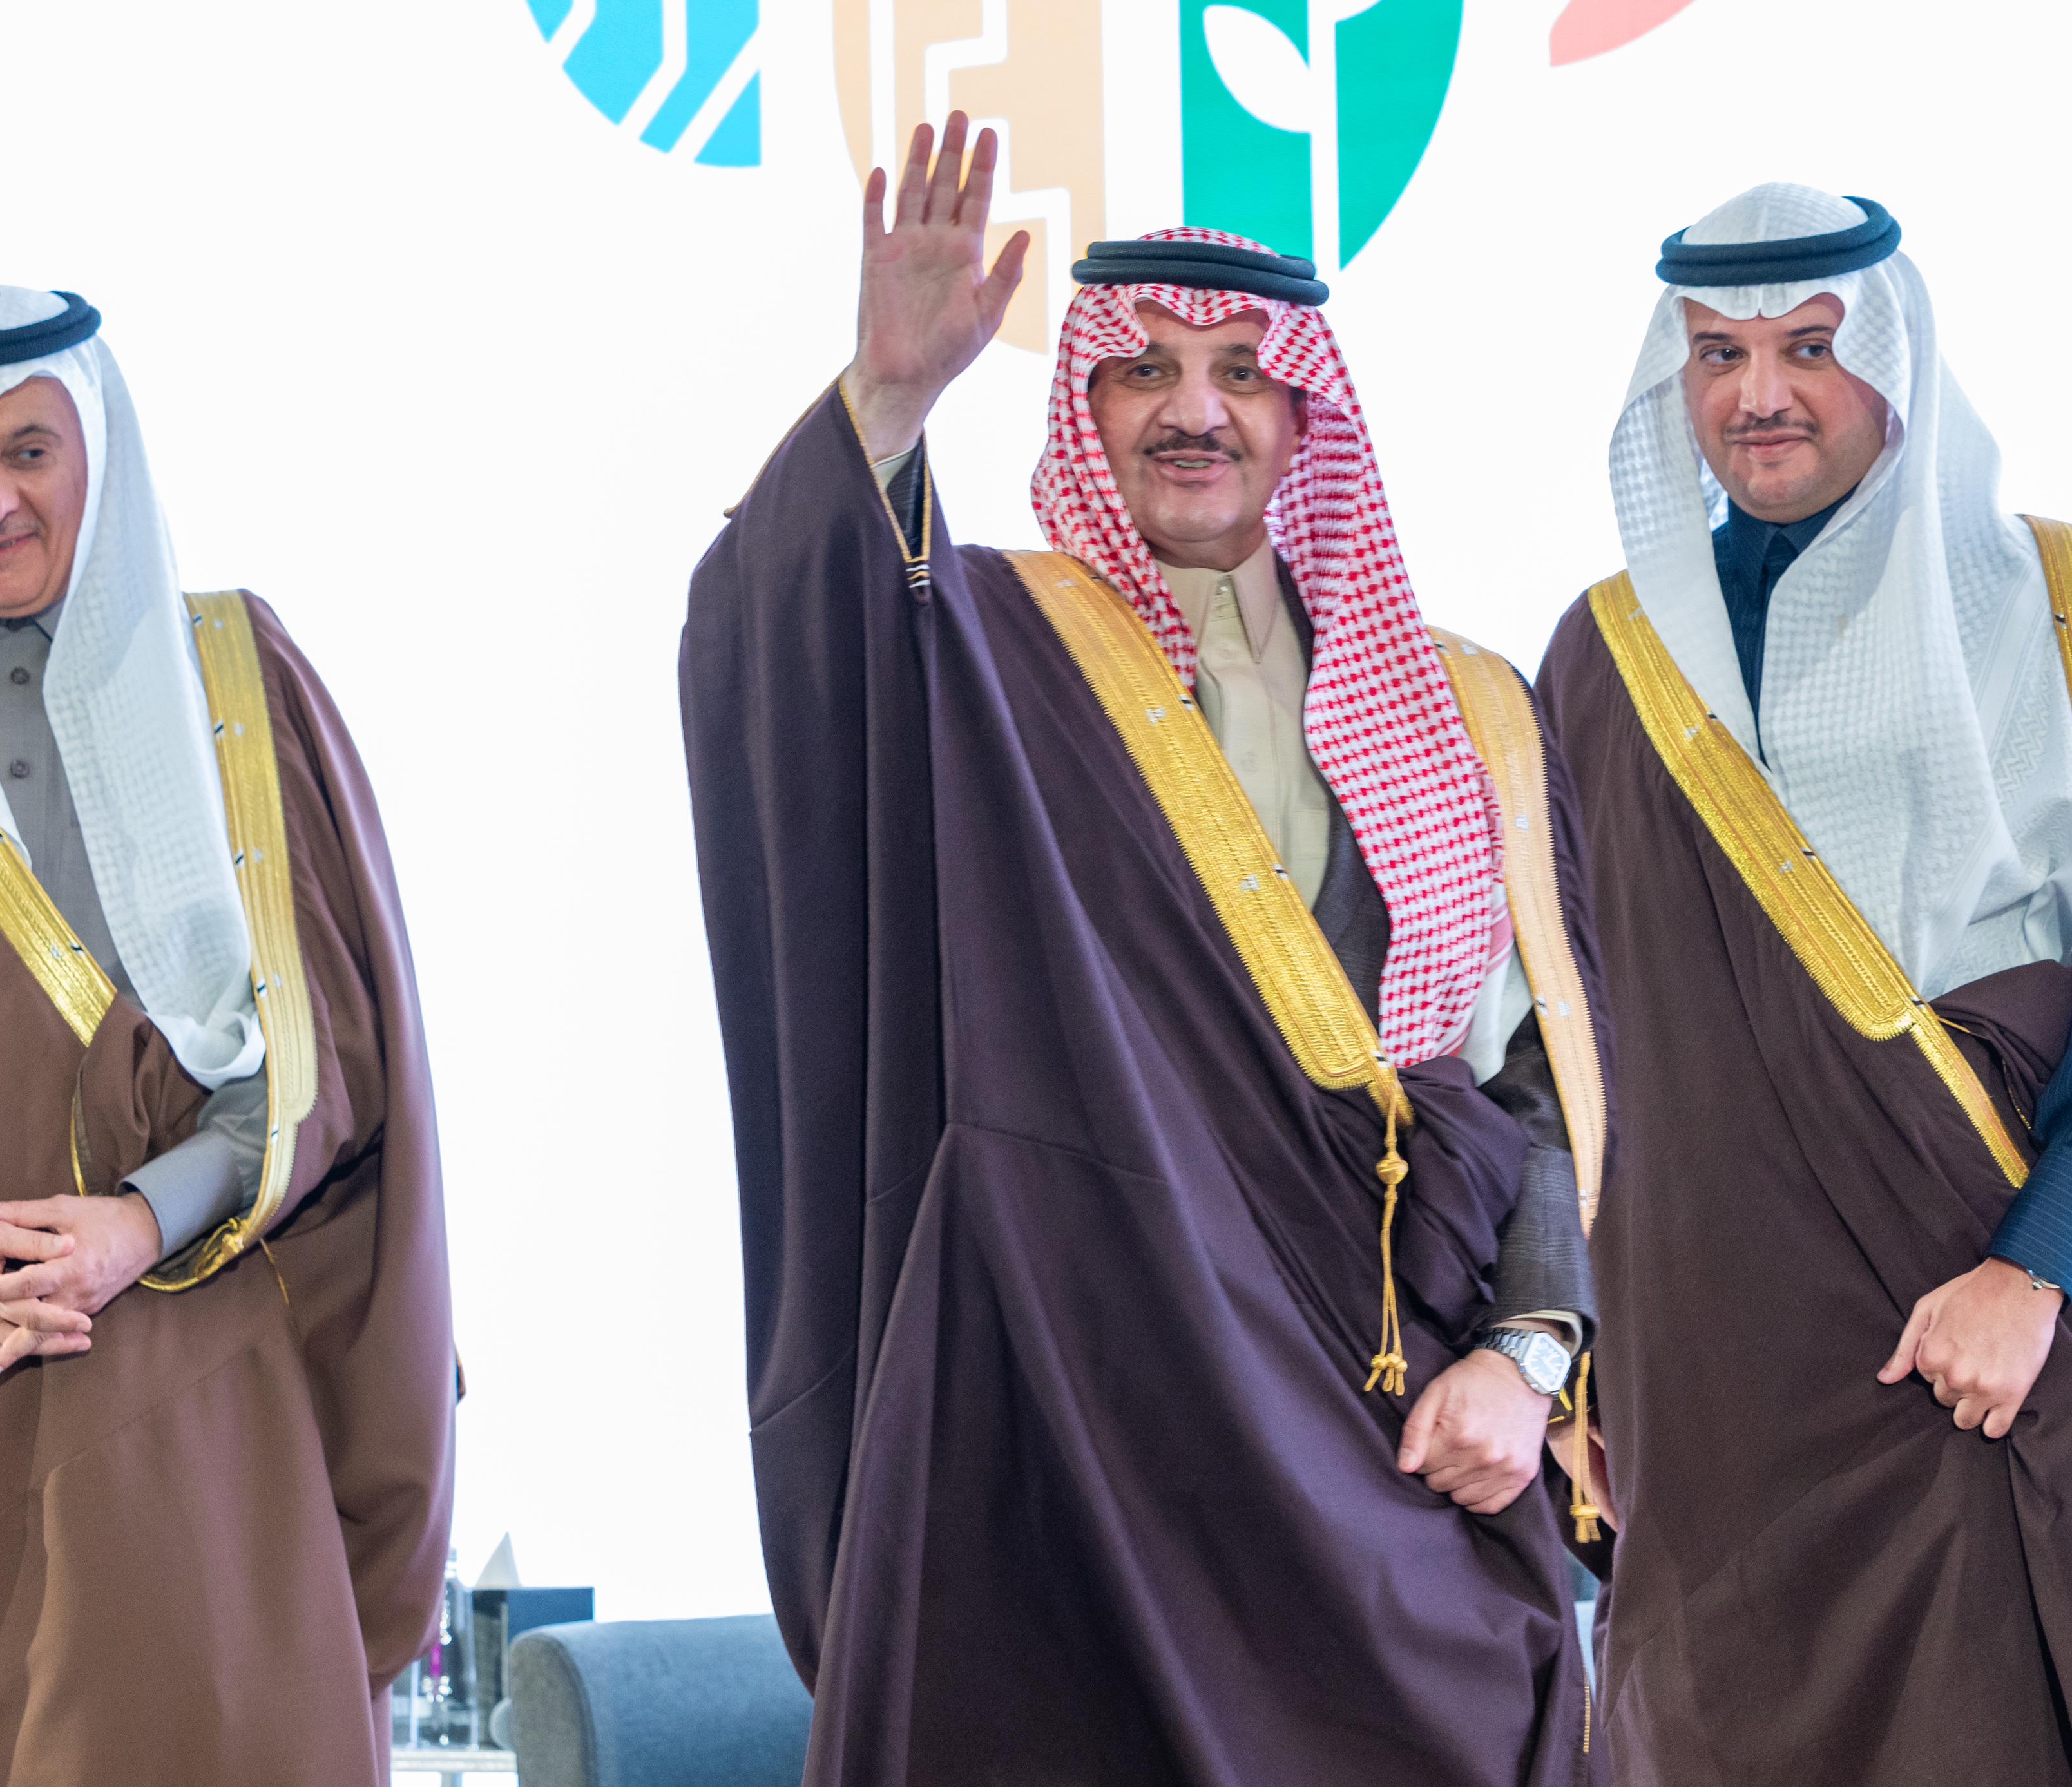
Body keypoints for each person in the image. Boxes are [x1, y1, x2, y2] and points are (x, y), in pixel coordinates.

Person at [685, 113, 1613, 1785]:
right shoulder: (988, 654)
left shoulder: (1466, 703)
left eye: (1242, 371)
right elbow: (784, 644)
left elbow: (1536, 1084)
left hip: (1396, 1432)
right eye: (1146, 371)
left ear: (1306, 409)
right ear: (1088, 406)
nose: (1196, 410)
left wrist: (1527, 1353)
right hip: (1086, 1422)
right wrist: (885, 400)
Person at [1533, 186, 2072, 1784]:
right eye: (1718, 354)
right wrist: (1577, 1362)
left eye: (1809, 347)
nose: (1759, 393)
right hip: (1712, 1381)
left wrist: (2030, 1272)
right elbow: (1559, 1044)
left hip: (1980, 1344)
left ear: (1895, 363)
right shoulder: (1606, 661)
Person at [0, 286, 456, 1782]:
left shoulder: (238, 681)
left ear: (96, 446)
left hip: (207, 1406)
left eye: (28, 450)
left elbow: (331, 1057)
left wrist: (138, 1220)